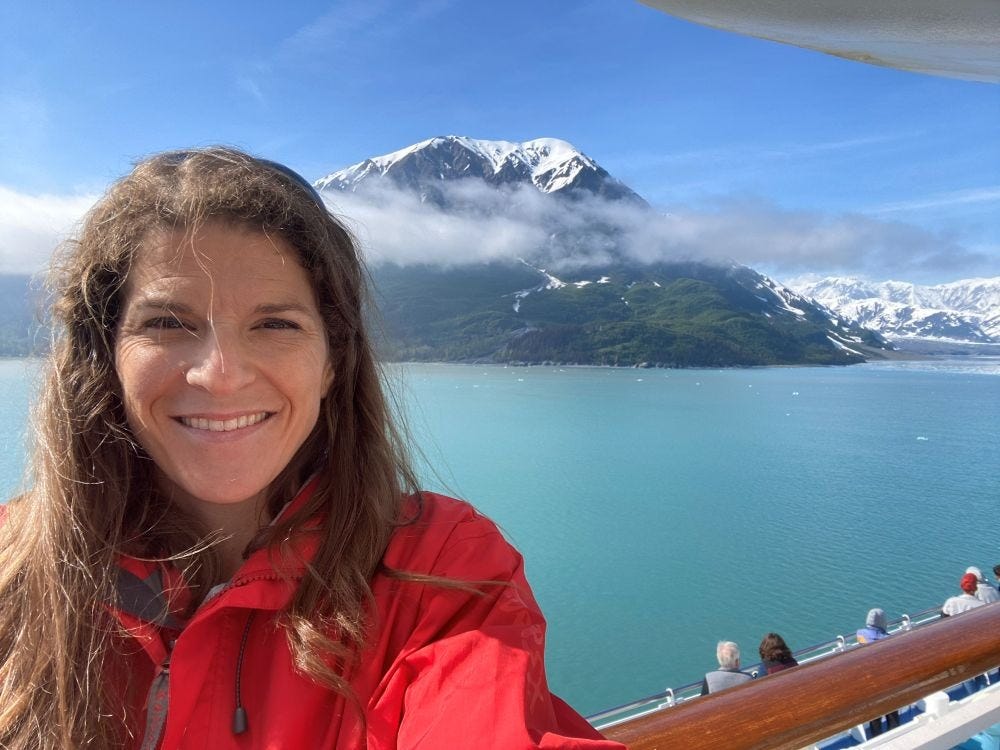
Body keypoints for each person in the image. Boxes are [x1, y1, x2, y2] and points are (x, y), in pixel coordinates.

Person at [0, 148, 623, 750]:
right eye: (166, 323)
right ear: (106, 359)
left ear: (332, 364)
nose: (219, 374)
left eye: (276, 325)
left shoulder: (439, 573)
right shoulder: (13, 568)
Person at [854, 608, 901, 737]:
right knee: (892, 710)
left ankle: (877, 737)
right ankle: (895, 736)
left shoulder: (860, 634)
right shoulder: (889, 640)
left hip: (870, 681)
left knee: (874, 713)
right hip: (888, 680)